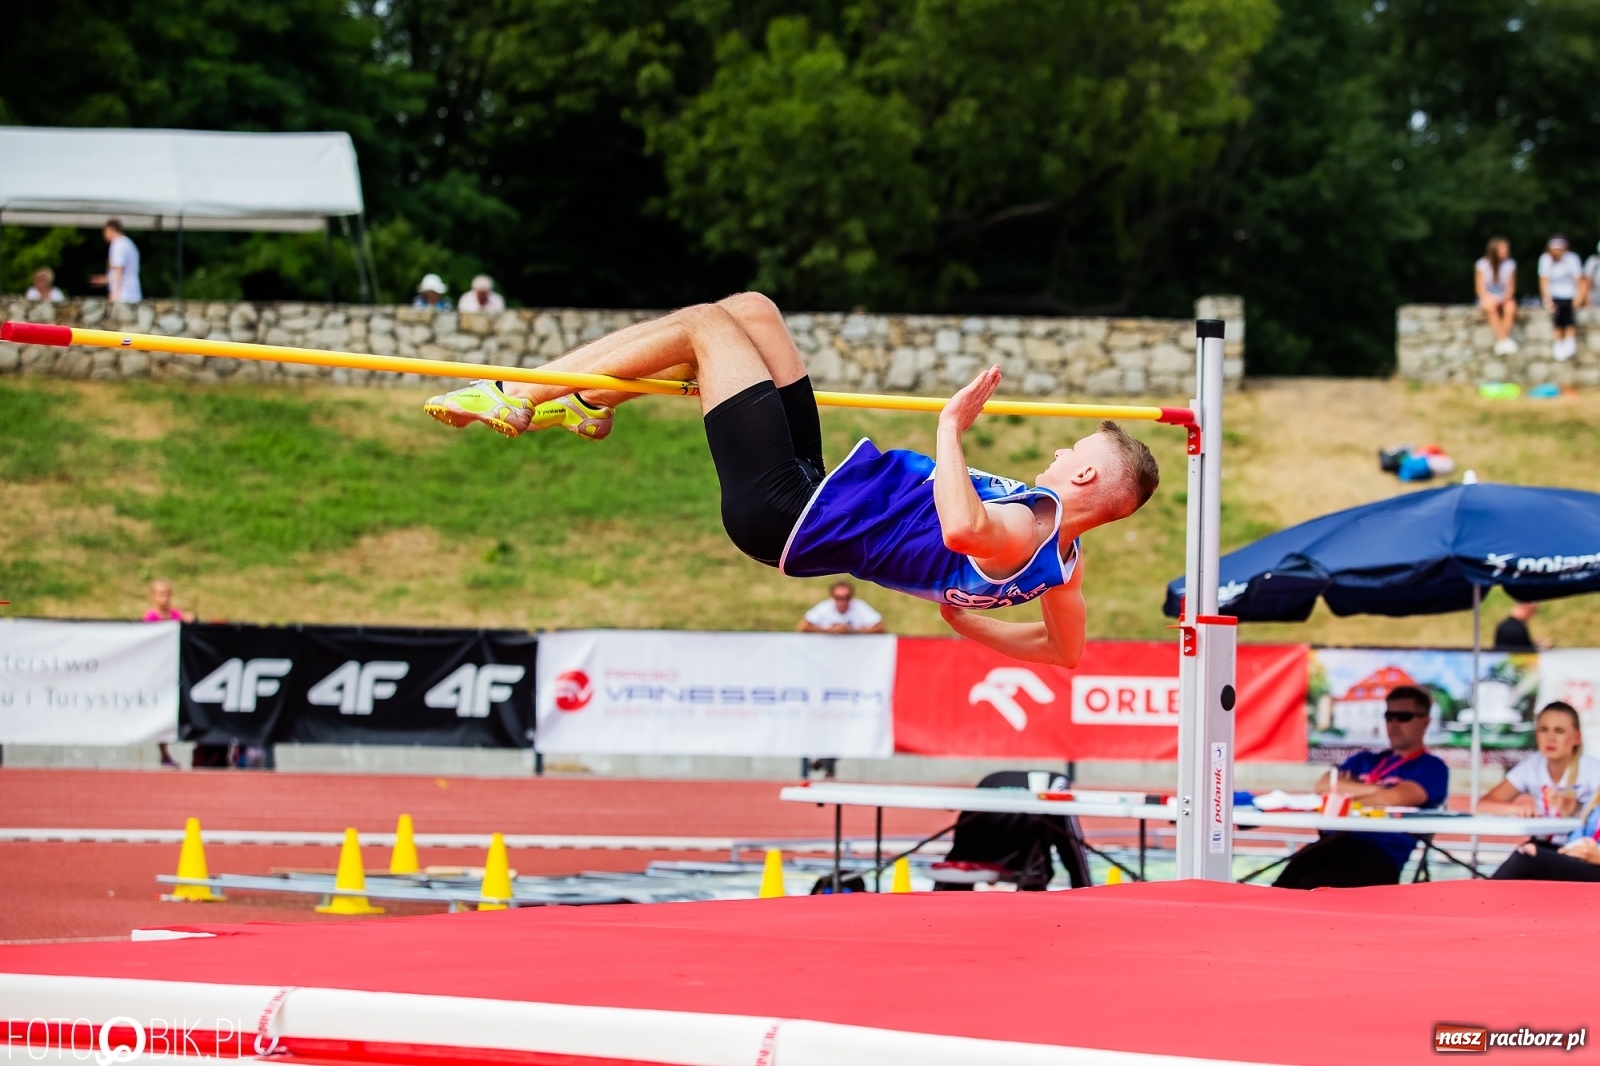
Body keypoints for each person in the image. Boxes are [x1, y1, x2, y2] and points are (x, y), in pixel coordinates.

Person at [422, 292, 1160, 665]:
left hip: (788, 509)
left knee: (706, 328)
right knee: (753, 313)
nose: (1054, 457)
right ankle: (589, 402)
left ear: (1088, 474)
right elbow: (1065, 654)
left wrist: (948, 427)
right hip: (819, 487)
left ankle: (516, 395)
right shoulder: (1064, 568)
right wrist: (973, 623)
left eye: (1068, 452)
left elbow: (966, 529)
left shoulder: (1028, 528)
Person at [1274, 685, 1449, 888]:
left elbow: (1396, 798)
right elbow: (1324, 785)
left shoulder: (1432, 767)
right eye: (1389, 716)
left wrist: (1350, 788)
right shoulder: (1365, 759)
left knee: (1311, 890)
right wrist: (1380, 789)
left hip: (1379, 854)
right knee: (1280, 889)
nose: (1393, 724)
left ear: (1425, 721)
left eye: (1403, 717)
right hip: (1332, 843)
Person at [1477, 702, 1600, 820]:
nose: (1550, 738)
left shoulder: (1592, 768)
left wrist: (1576, 807)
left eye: (1559, 731)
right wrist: (1517, 809)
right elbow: (1482, 806)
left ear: (1576, 738)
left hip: (1583, 841)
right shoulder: (1532, 766)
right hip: (1541, 841)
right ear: (1536, 735)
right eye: (1543, 730)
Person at [1491, 790, 1600, 882]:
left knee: (1526, 859)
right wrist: (1568, 849)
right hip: (1583, 855)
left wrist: (1596, 856)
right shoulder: (1596, 806)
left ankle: (1482, 899)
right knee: (1530, 848)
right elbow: (1581, 832)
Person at [142, 580, 194, 769]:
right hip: (158, 670)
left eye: (167, 593)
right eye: (160, 593)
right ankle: (164, 753)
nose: (164, 597)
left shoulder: (175, 615)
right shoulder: (150, 617)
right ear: (153, 595)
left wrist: (190, 620)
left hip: (177, 669)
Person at [1538, 235, 1582, 361]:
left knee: (1568, 313)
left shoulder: (1572, 259)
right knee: (1557, 315)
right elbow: (1544, 281)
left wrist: (1579, 297)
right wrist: (1547, 299)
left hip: (1570, 294)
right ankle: (1559, 343)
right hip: (1554, 295)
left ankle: (1568, 340)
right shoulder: (1545, 259)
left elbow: (1578, 280)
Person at [1475, 237, 1518, 355]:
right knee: (1490, 307)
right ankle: (1503, 340)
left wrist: (1505, 298)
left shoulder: (1511, 265)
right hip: (1488, 297)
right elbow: (1480, 289)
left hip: (1504, 296)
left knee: (1510, 308)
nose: (1507, 251)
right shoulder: (1481, 265)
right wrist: (1489, 298)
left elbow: (1511, 288)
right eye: (1504, 249)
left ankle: (1501, 340)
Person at [799, 581, 886, 633]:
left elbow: (880, 628)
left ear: (851, 597)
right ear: (832, 597)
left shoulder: (859, 606)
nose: (842, 602)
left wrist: (853, 631)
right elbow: (803, 627)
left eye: (846, 598)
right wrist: (830, 631)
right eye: (838, 598)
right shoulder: (825, 607)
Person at [89, 220, 141, 304]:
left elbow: (119, 269)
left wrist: (116, 293)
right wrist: (105, 280)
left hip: (124, 295)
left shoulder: (118, 244)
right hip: (132, 293)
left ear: (111, 229)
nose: (104, 235)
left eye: (105, 231)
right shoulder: (128, 243)